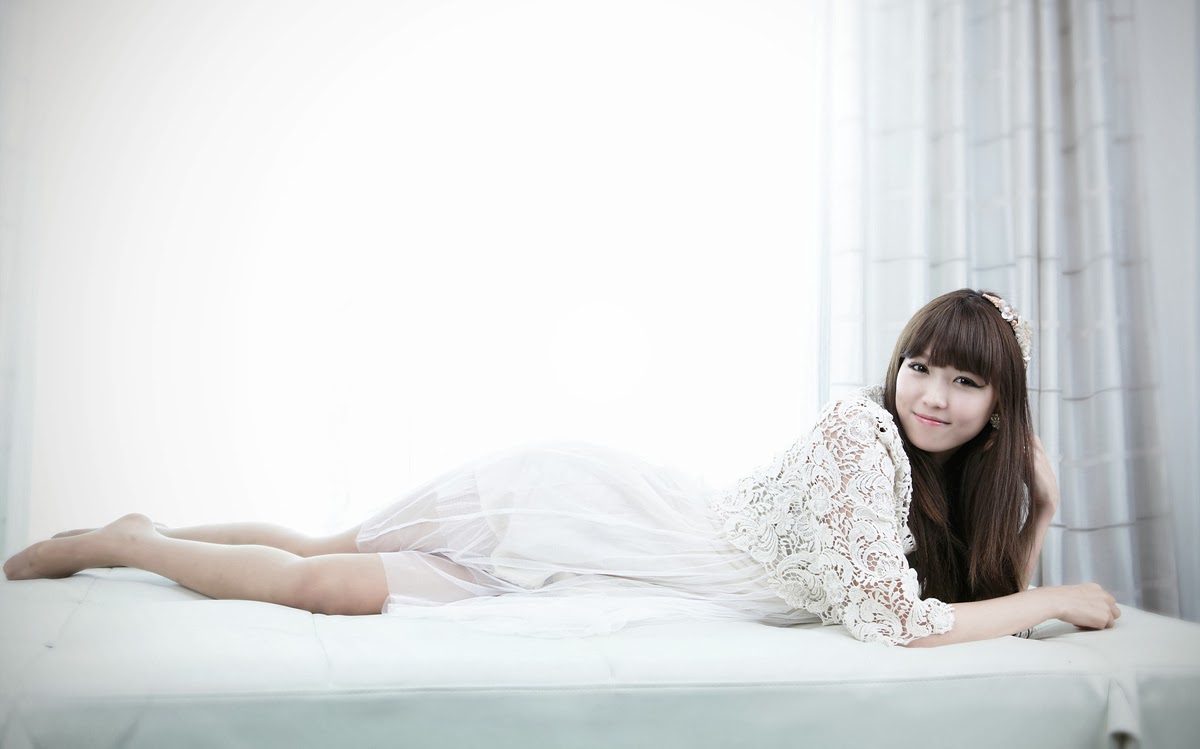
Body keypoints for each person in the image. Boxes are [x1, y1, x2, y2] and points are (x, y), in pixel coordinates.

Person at [2, 289, 1120, 646]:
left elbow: (968, 597)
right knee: (322, 557)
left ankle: (143, 536)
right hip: (586, 512)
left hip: (604, 571)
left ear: (997, 409)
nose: (931, 393)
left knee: (330, 583)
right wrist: (1056, 594)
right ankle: (134, 539)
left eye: (964, 382)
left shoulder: (930, 481)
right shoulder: (858, 432)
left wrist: (1035, 516)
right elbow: (898, 622)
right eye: (921, 365)